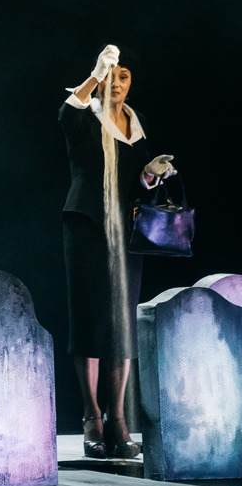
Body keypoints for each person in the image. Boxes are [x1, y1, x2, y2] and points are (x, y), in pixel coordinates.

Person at [59, 44, 174, 459]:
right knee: (90, 318)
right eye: (112, 75)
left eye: (123, 76)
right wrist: (95, 74)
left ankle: (119, 419)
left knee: (122, 323)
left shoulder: (135, 124)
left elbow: (133, 184)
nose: (117, 82)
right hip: (88, 227)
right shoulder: (85, 116)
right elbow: (67, 112)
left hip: (125, 233)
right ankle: (92, 417)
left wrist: (150, 175)